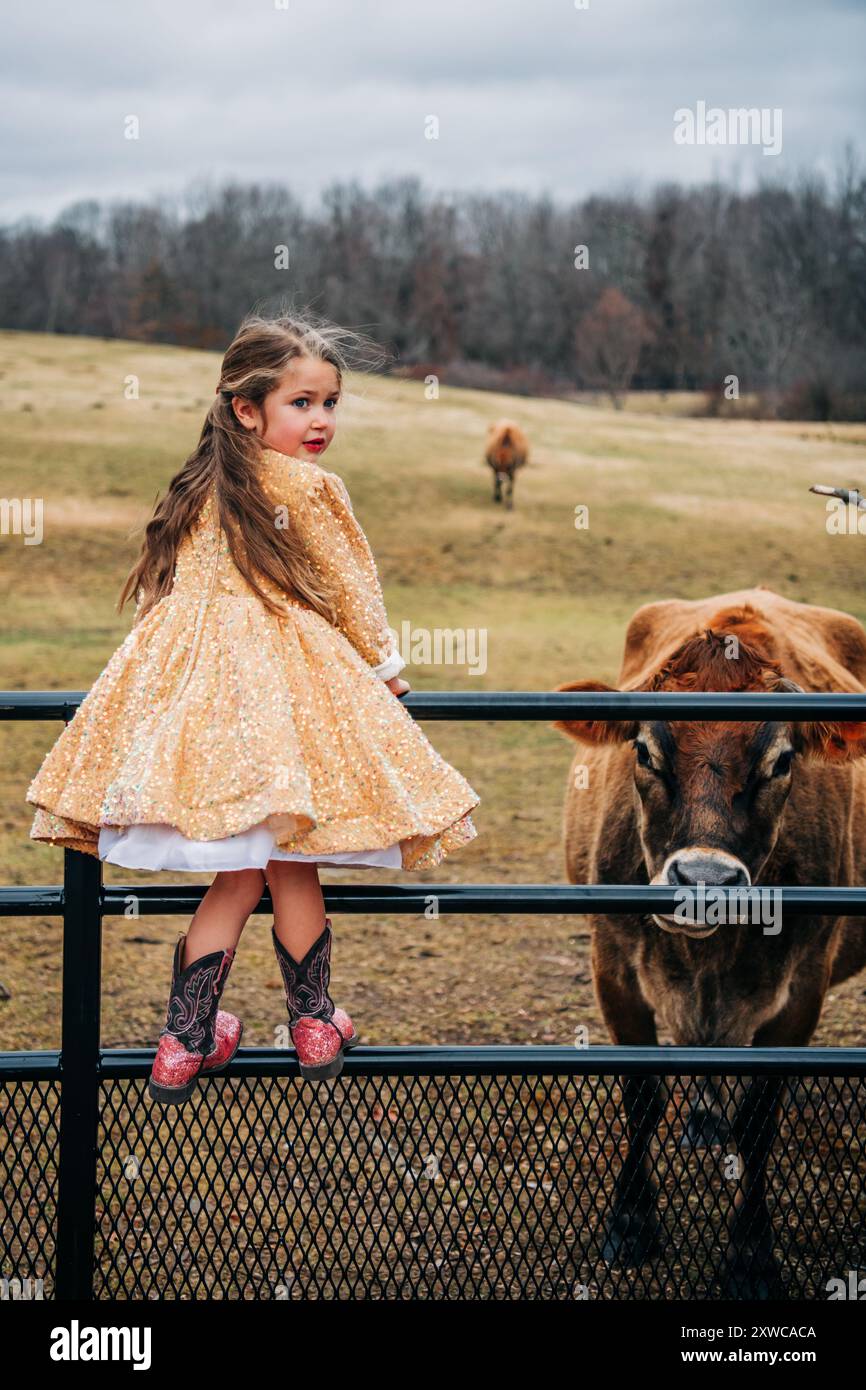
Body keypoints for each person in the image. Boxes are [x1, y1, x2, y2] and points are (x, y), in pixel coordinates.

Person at [26, 308, 480, 1102]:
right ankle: (313, 1023)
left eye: (330, 403)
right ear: (247, 407)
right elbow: (350, 589)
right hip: (284, 703)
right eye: (302, 403)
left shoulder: (202, 484)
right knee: (291, 864)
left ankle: (184, 1040)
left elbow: (166, 602)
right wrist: (384, 670)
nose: (321, 421)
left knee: (241, 876)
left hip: (211, 716)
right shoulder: (308, 487)